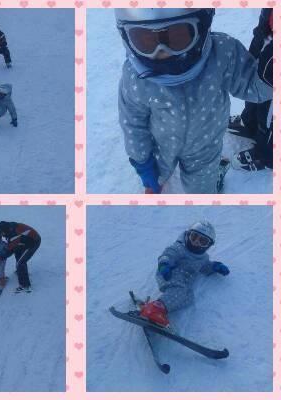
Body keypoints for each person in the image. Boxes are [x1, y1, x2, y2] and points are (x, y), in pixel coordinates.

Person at [115, 8, 272, 194]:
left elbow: (252, 88)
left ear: (202, 26)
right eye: (146, 41)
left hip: (204, 148)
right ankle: (157, 181)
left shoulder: (221, 53)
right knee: (155, 178)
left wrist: (269, 79)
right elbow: (132, 123)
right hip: (161, 146)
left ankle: (212, 178)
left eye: (177, 36)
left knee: (201, 191)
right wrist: (142, 162)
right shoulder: (135, 77)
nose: (162, 52)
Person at [138, 221, 230, 327]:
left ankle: (159, 308)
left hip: (183, 281)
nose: (196, 242)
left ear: (208, 245)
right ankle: (155, 309)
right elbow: (168, 255)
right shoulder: (179, 248)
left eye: (202, 241)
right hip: (169, 273)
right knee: (179, 290)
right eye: (194, 237)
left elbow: (205, 266)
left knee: (188, 297)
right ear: (187, 235)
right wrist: (164, 265)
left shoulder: (203, 258)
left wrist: (215, 267)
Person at [229, 9, 273, 171]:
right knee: (254, 85)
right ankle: (250, 124)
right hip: (268, 33)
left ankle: (267, 156)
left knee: (270, 113)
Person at [0, 220, 41, 293]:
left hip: (33, 242)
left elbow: (10, 249)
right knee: (17, 253)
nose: (2, 235)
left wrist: (2, 256)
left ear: (6, 230)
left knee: (20, 262)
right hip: (24, 240)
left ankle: (25, 285)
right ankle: (20, 271)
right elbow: (13, 245)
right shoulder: (11, 228)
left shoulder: (15, 234)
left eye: (2, 233)